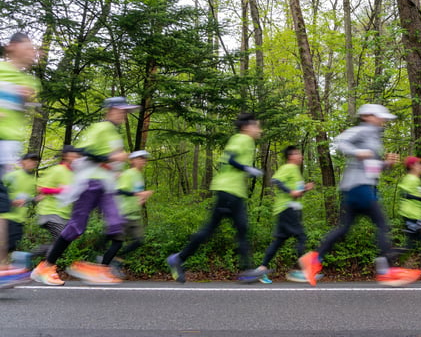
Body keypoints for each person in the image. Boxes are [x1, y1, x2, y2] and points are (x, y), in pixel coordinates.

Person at [299, 104, 421, 287]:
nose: (383, 120)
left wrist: (386, 164)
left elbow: (370, 166)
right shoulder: (362, 130)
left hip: (357, 187)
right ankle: (386, 270)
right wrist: (358, 152)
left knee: (344, 228)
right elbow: (340, 142)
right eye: (380, 117)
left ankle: (314, 259)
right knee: (382, 224)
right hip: (360, 187)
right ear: (367, 116)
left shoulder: (374, 137)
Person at [30, 97, 136, 286]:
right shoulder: (100, 128)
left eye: (126, 112)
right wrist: (110, 158)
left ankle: (93, 267)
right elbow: (84, 151)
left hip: (106, 186)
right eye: (121, 111)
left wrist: (116, 168)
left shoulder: (114, 133)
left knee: (116, 224)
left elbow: (111, 161)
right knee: (76, 228)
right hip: (90, 183)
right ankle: (46, 266)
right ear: (110, 110)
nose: (124, 115)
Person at [167, 113, 264, 283]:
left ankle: (179, 259)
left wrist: (245, 170)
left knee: (235, 229)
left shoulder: (243, 140)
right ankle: (179, 259)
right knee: (222, 230)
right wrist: (247, 169)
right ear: (246, 127)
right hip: (228, 191)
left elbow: (226, 162)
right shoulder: (242, 139)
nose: (259, 130)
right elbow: (230, 159)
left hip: (233, 192)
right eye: (257, 126)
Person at [0, 32, 39, 287]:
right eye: (28, 47)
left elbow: (23, 105)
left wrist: (24, 98)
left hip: (8, 149)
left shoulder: (29, 81)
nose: (32, 52)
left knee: (3, 206)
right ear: (12, 47)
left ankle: (2, 264)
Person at [247, 145, 314, 284]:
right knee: (301, 236)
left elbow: (297, 193)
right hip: (287, 208)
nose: (300, 156)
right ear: (290, 156)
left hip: (288, 209)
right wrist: (290, 191)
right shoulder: (288, 167)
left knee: (278, 241)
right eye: (297, 153)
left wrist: (304, 189)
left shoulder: (295, 171)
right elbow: (276, 180)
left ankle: (261, 269)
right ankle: (303, 272)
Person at [100, 150, 153, 275]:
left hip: (134, 215)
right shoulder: (128, 174)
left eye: (144, 159)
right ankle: (102, 267)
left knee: (138, 240)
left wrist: (142, 198)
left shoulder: (139, 175)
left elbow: (136, 193)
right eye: (140, 158)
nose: (143, 161)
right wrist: (138, 194)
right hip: (122, 213)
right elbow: (119, 191)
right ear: (132, 160)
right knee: (117, 243)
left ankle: (116, 259)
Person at [31, 146, 80, 258]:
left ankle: (29, 255)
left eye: (77, 155)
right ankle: (46, 268)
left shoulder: (74, 174)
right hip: (50, 212)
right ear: (66, 155)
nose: (76, 157)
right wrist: (60, 190)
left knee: (62, 243)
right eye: (74, 154)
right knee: (60, 240)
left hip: (64, 214)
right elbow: (40, 188)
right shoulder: (57, 170)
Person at [0, 153, 40, 252]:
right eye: (30, 160)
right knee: (5, 246)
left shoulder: (33, 180)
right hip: (6, 216)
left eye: (35, 161)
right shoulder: (13, 175)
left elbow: (30, 197)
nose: (33, 162)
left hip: (20, 218)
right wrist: (10, 201)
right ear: (23, 162)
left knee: (12, 245)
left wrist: (36, 198)